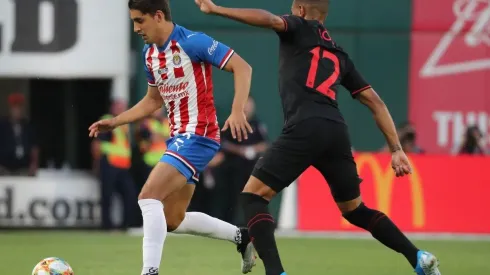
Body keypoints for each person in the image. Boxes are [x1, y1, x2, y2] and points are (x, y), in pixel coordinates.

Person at [194, 1, 441, 275]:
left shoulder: (297, 26)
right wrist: (396, 149)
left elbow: (269, 20)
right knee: (355, 209)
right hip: (336, 131)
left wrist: (218, 10)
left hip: (304, 126)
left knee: (253, 196)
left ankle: (276, 272)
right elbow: (375, 102)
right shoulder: (339, 54)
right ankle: (418, 256)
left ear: (299, 9)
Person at [88, 1, 256, 274]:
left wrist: (237, 110)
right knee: (173, 219)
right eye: (133, 21)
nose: (136, 28)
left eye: (140, 20)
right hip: (180, 138)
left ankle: (149, 271)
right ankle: (242, 236)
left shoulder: (193, 42)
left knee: (147, 196)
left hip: (198, 135)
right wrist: (116, 122)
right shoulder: (149, 54)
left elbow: (243, 67)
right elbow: (153, 101)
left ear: (158, 15)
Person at [214, 97, 269, 225]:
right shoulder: (231, 123)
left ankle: (253, 223)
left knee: (251, 197)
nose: (247, 109)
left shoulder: (257, 124)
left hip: (251, 169)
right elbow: (224, 143)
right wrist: (241, 151)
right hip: (231, 168)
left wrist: (252, 149)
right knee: (229, 198)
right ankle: (226, 223)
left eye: (249, 105)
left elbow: (265, 144)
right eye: (245, 105)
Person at [91, 99, 139, 230]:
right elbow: (97, 143)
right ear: (112, 108)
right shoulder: (107, 120)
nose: (120, 109)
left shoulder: (125, 123)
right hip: (109, 163)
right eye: (118, 106)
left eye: (122, 107)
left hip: (123, 166)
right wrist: (96, 163)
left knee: (130, 194)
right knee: (107, 196)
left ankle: (125, 225)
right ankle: (107, 226)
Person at [0, 93, 39, 176]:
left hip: (23, 168)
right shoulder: (2, 125)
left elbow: (34, 147)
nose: (18, 110)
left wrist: (34, 164)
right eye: (15, 107)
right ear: (10, 108)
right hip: (4, 168)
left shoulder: (28, 126)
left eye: (20, 107)